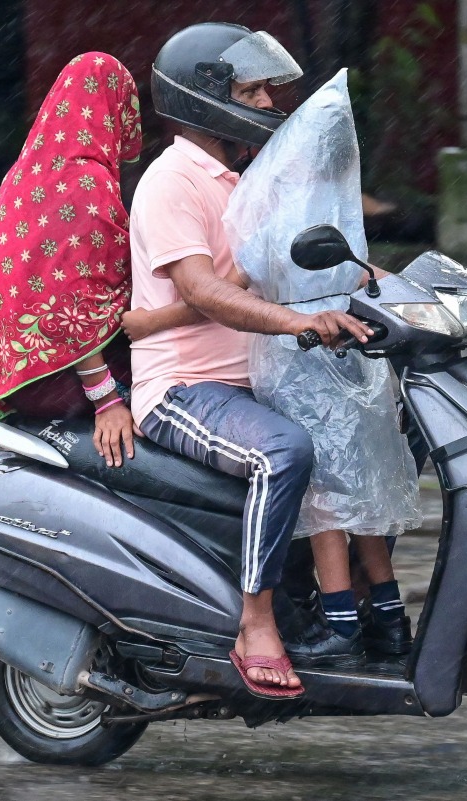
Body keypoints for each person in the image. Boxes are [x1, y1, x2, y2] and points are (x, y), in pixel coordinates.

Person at [129, 72, 422, 665]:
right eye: (250, 93)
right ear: (201, 99)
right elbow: (205, 290)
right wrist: (297, 323)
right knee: (286, 452)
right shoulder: (171, 181)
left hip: (260, 381)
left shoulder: (245, 181)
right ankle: (256, 624)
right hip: (188, 386)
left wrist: (426, 298)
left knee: (389, 430)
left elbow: (331, 269)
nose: (267, 104)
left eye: (268, 92)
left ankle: (361, 602)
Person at [0, 52, 142, 470]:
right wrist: (107, 399)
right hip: (68, 381)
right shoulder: (87, 182)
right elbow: (75, 301)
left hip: (16, 377)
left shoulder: (25, 175)